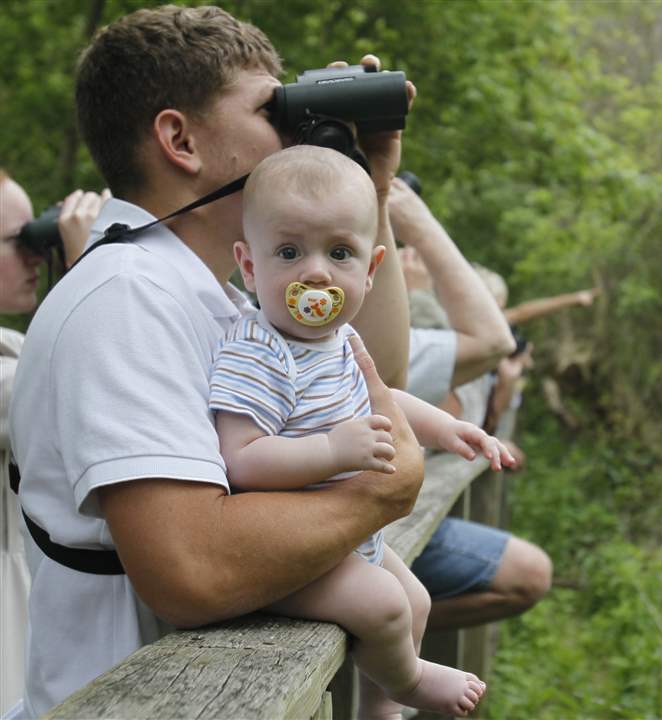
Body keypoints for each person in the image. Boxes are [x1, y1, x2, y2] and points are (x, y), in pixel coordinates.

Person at [8, 6, 422, 716]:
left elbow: (372, 375)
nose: (294, 131)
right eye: (273, 110)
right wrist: (381, 493)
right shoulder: (126, 299)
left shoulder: (214, 293)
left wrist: (370, 189)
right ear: (179, 139)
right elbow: (190, 571)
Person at [210, 145, 515, 717]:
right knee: (383, 604)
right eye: (289, 251)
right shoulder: (258, 351)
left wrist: (448, 428)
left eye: (340, 252)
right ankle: (410, 684)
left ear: (370, 270)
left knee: (416, 600)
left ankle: (382, 708)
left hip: (341, 536)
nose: (317, 272)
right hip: (285, 549)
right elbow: (241, 458)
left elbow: (384, 399)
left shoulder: (339, 341)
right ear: (250, 266)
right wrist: (330, 450)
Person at [388, 180, 553, 632]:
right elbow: (490, 344)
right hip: (377, 528)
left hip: (385, 526)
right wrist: (417, 280)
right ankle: (389, 644)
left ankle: (391, 642)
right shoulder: (407, 325)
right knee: (530, 572)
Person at [0, 169, 108, 717]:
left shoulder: (14, 346)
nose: (35, 256)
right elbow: (77, 378)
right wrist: (94, 266)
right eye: (18, 242)